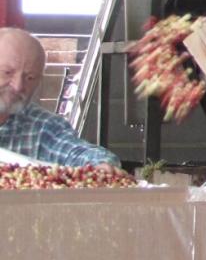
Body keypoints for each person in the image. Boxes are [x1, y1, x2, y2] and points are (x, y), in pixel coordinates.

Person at [0, 28, 118, 167]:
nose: (18, 86)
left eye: (30, 78)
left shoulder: (43, 127)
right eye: (7, 72)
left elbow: (82, 153)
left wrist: (101, 166)